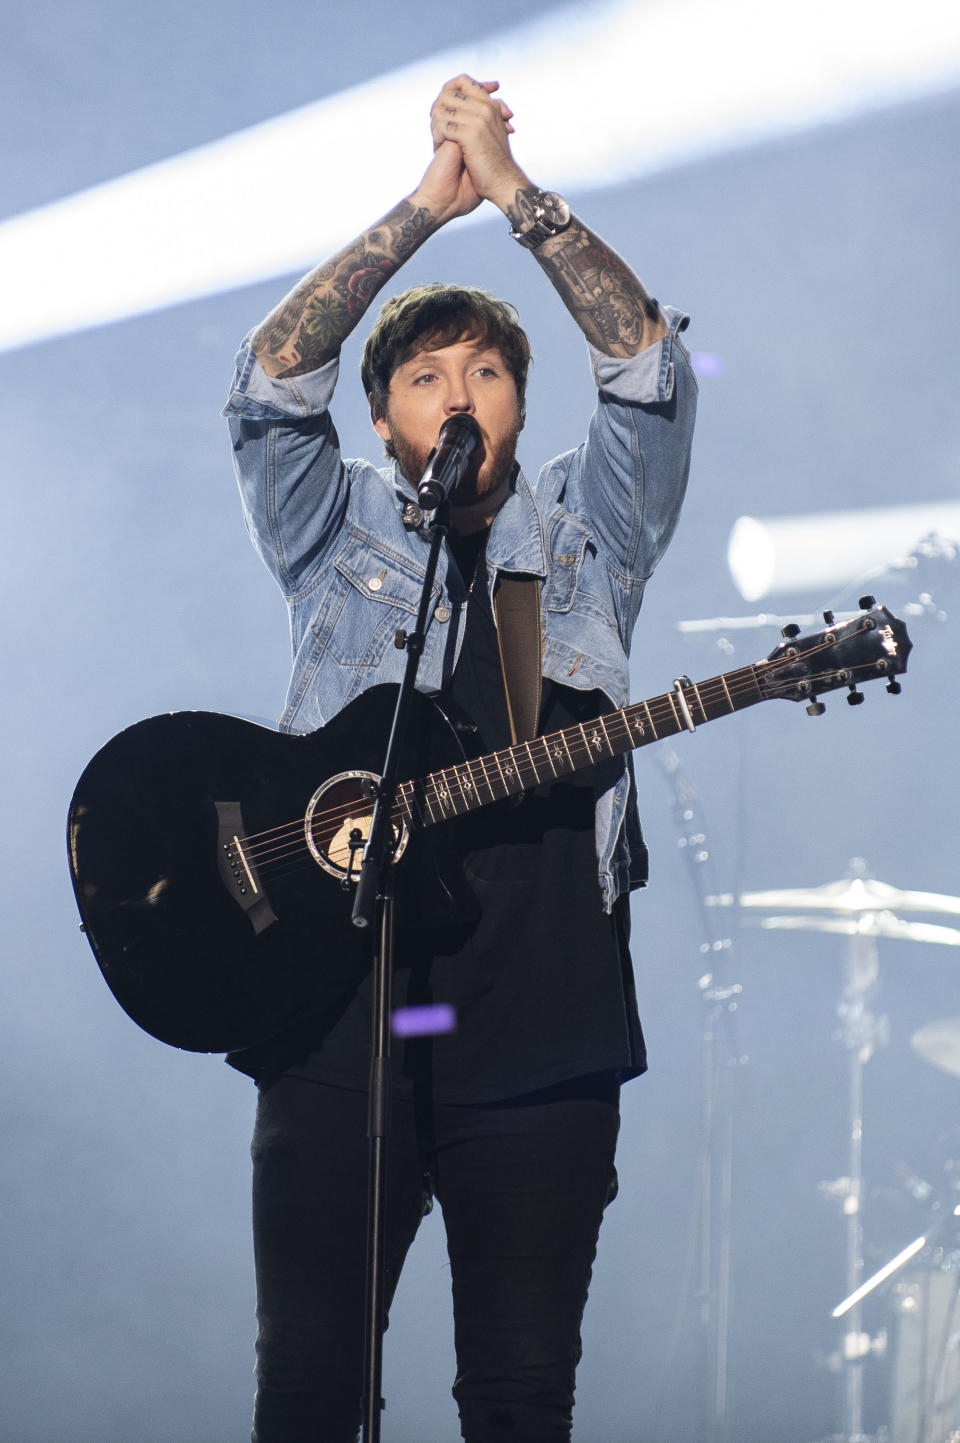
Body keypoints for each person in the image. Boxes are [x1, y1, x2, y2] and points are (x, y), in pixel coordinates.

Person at [222, 74, 697, 1443]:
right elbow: (268, 384)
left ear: (518, 405)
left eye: (484, 370)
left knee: (517, 1399)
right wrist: (427, 209)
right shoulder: (336, 539)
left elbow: (650, 378)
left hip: (544, 1035)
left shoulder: (590, 538)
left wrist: (515, 199)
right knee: (308, 1395)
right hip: (340, 1024)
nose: (457, 392)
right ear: (385, 422)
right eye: (423, 377)